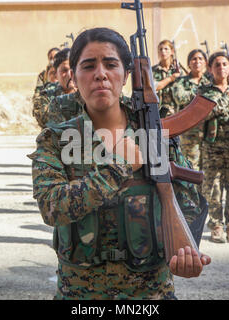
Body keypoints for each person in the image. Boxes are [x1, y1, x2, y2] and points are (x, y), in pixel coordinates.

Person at [29, 27, 210, 300]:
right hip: (81, 297)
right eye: (88, 66)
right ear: (74, 76)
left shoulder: (154, 130)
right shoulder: (57, 140)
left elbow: (189, 203)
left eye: (111, 64)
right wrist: (118, 168)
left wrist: (186, 250)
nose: (100, 74)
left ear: (126, 75)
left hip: (150, 296)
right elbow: (52, 208)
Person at [200, 51, 229, 244]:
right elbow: (205, 114)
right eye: (217, 64)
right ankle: (217, 225)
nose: (221, 68)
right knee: (213, 188)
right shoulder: (204, 91)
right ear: (210, 69)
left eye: (225, 64)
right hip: (212, 148)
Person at [172, 49, 210, 170]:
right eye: (194, 59)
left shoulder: (210, 82)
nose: (197, 61)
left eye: (200, 59)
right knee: (190, 167)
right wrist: (200, 93)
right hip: (189, 133)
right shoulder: (181, 82)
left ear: (205, 63)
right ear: (188, 63)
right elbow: (180, 98)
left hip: (209, 131)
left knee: (209, 171)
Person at [32, 48, 78, 128]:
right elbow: (46, 121)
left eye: (73, 69)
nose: (69, 74)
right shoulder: (46, 96)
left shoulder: (87, 94)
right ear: (56, 74)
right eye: (64, 70)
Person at [152, 40, 183, 117]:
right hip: (157, 113)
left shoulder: (178, 70)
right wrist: (171, 78)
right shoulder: (152, 70)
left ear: (172, 51)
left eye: (166, 49)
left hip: (175, 113)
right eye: (160, 49)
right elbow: (154, 87)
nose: (163, 51)